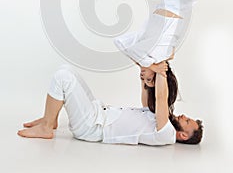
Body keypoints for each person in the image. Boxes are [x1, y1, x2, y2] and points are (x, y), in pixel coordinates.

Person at [78, 0, 216, 113]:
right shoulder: (161, 57)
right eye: (149, 79)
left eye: (143, 81)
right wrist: (155, 67)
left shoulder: (141, 55)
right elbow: (154, 102)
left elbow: (120, 42)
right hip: (178, 4)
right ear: (161, 76)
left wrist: (145, 65)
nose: (143, 77)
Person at [17, 64, 203, 145]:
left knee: (62, 78)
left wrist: (161, 66)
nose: (185, 117)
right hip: (98, 112)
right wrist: (147, 72)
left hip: (92, 127)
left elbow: (161, 97)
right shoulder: (160, 121)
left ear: (183, 135)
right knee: (66, 69)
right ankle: (51, 118)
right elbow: (148, 98)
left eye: (188, 122)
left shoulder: (166, 134)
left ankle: (47, 128)